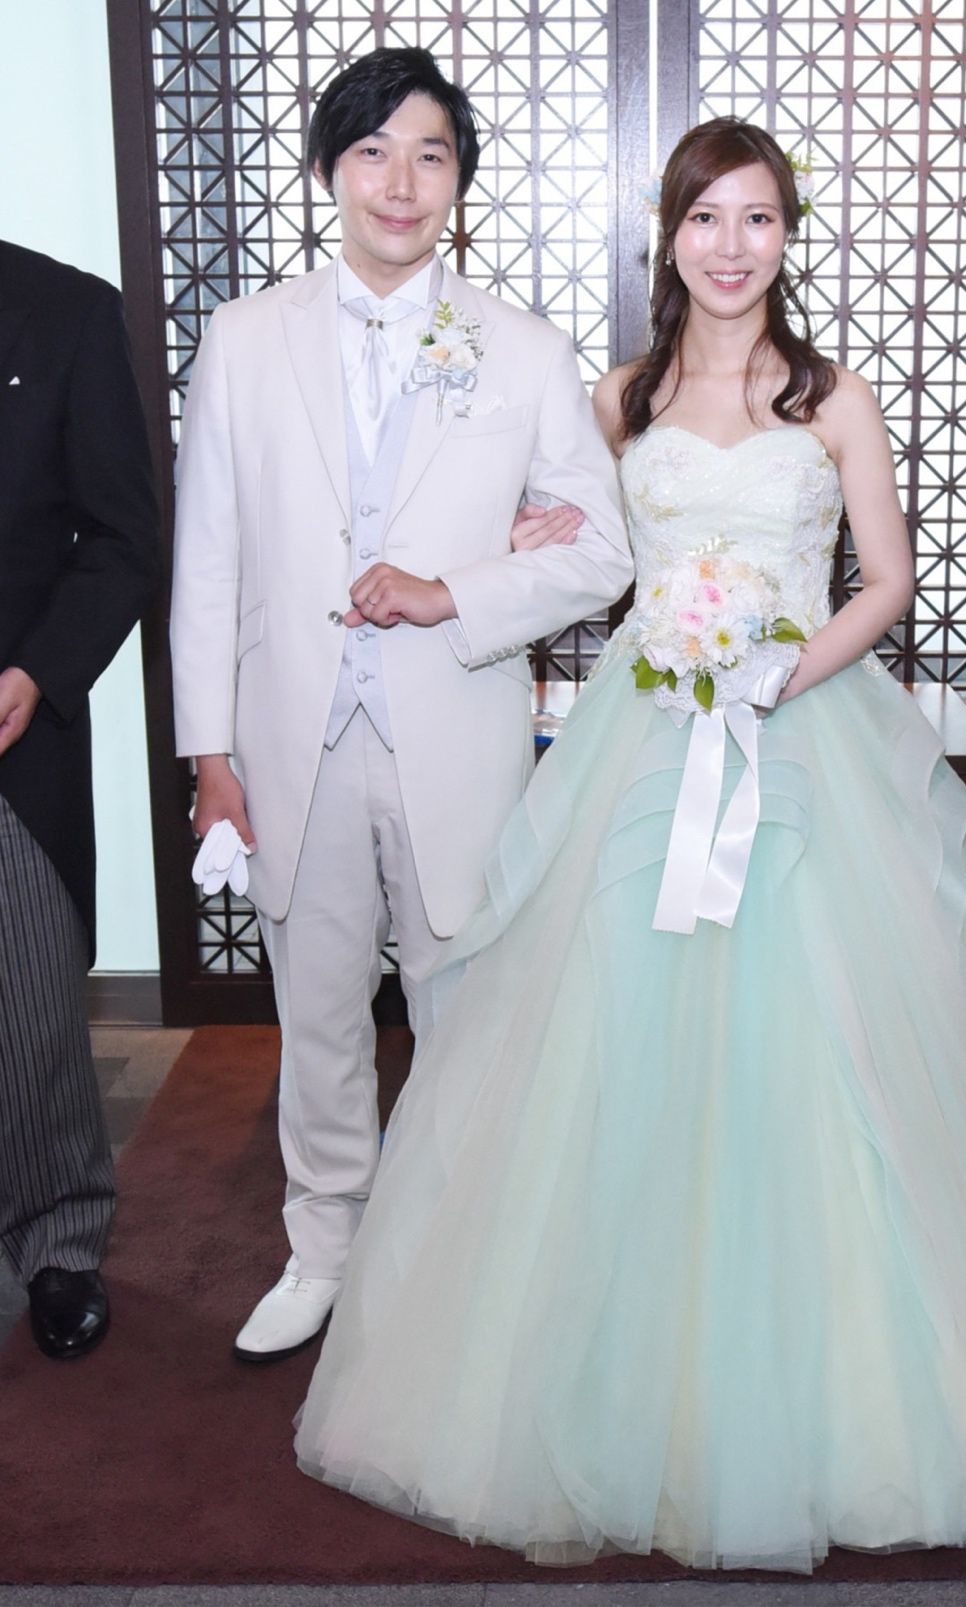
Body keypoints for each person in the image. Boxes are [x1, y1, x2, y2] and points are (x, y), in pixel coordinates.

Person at [294, 119, 966, 1570]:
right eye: (705, 217)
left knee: (832, 1037)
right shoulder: (616, 397)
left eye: (758, 218)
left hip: (802, 730)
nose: (731, 246)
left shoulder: (831, 398)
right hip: (646, 736)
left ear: (787, 236)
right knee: (609, 1037)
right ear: (669, 235)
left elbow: (887, 580)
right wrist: (525, 548)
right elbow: (578, 549)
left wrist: (784, 668)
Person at [170, 46, 632, 1365]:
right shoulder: (245, 339)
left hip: (455, 733)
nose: (399, 181)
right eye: (372, 151)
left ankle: (452, 1253)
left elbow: (602, 553)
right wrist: (209, 750)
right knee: (316, 1010)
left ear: (458, 183)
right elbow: (208, 556)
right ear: (330, 168)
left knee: (461, 1012)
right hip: (291, 739)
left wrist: (455, 592)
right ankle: (322, 1243)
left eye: (430, 155)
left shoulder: (522, 350)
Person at [0, 240, 159, 1359]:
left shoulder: (63, 309)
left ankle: (58, 1241)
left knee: (29, 1005)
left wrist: (37, 672)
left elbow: (121, 535)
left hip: (13, 718)